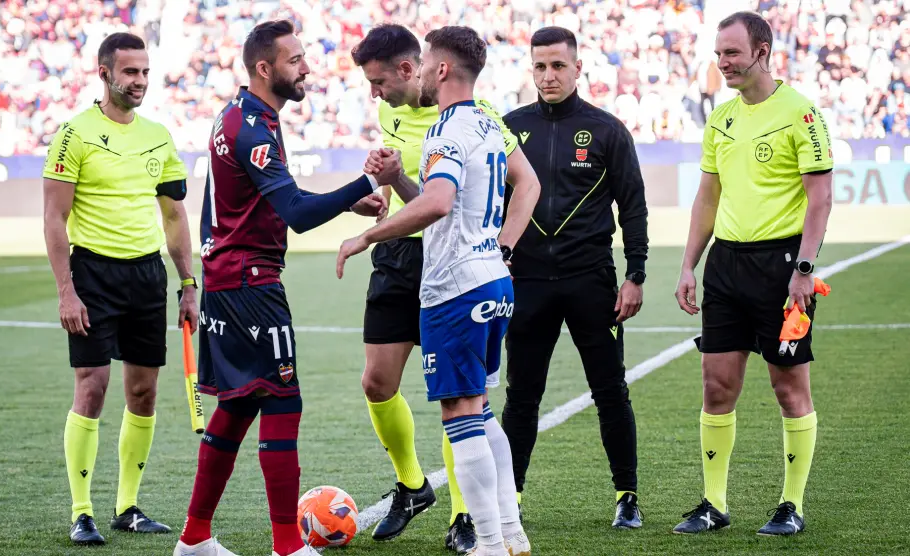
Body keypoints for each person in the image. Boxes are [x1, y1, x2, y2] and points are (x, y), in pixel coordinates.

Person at [172, 20, 386, 556]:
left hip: (228, 278)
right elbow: (296, 214)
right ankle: (289, 547)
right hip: (249, 283)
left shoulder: (237, 115)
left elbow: (255, 200)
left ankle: (196, 538)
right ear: (265, 69)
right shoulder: (253, 128)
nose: (307, 68)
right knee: (283, 401)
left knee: (240, 405)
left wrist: (348, 202)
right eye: (295, 60)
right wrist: (366, 182)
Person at [337, 26, 541, 556]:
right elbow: (435, 197)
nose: (422, 71)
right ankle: (511, 535)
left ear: (440, 69)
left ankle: (488, 540)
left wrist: (366, 234)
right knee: (478, 409)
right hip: (488, 278)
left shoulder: (448, 130)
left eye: (426, 63)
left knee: (459, 413)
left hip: (455, 284)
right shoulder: (481, 124)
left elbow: (437, 204)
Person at [672, 11, 833, 536]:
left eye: (733, 53)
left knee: (789, 388)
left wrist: (804, 270)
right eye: (719, 54)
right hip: (726, 265)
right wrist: (689, 265)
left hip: (783, 266)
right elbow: (707, 198)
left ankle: (792, 505)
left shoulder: (801, 113)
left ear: (762, 51)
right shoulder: (720, 119)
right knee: (716, 385)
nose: (723, 63)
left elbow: (820, 198)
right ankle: (713, 503)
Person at [42, 31, 198, 546]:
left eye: (145, 72)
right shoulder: (74, 134)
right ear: (104, 72)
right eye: (130, 72)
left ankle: (127, 506)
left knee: (144, 391)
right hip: (93, 274)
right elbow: (54, 217)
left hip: (146, 275)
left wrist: (188, 282)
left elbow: (174, 215)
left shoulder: (158, 135)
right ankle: (81, 510)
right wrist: (66, 290)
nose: (140, 81)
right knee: (92, 386)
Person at [498, 26, 649, 529]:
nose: (548, 75)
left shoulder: (607, 129)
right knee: (521, 397)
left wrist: (636, 274)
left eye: (558, 65)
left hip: (592, 282)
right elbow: (492, 204)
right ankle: (510, 497)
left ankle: (627, 495)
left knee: (611, 392)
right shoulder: (508, 128)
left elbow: (633, 206)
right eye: (539, 66)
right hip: (526, 285)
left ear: (578, 68)